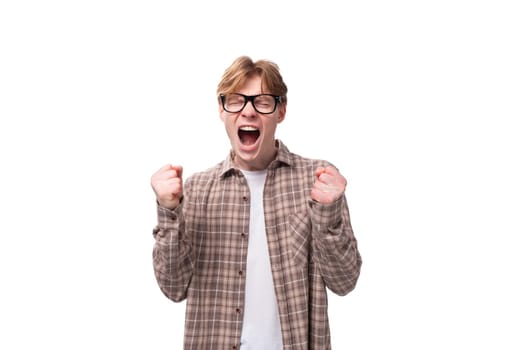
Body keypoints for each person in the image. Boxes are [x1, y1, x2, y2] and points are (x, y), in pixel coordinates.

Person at [151, 56, 362, 350]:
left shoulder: (315, 181)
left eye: (262, 101)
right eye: (236, 101)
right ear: (221, 111)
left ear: (281, 111)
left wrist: (329, 213)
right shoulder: (197, 190)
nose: (248, 111)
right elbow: (173, 288)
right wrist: (168, 212)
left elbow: (344, 281)